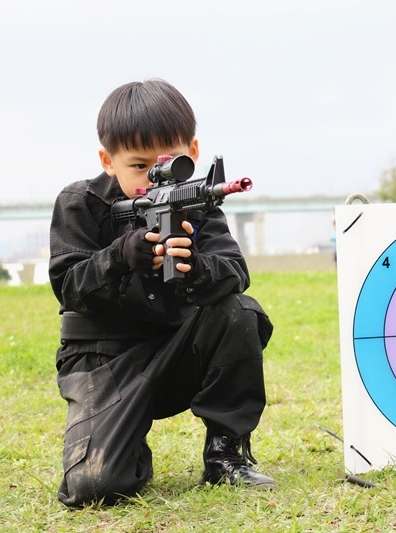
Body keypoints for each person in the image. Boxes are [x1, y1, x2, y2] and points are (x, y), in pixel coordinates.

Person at [48, 78, 275, 508]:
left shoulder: (199, 206)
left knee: (239, 312)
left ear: (193, 150)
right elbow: (68, 287)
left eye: (170, 164)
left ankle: (225, 455)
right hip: (104, 362)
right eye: (140, 167)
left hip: (173, 354)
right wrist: (120, 255)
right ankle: (124, 441)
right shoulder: (80, 202)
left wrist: (195, 266)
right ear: (107, 160)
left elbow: (235, 273)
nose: (155, 179)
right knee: (97, 487)